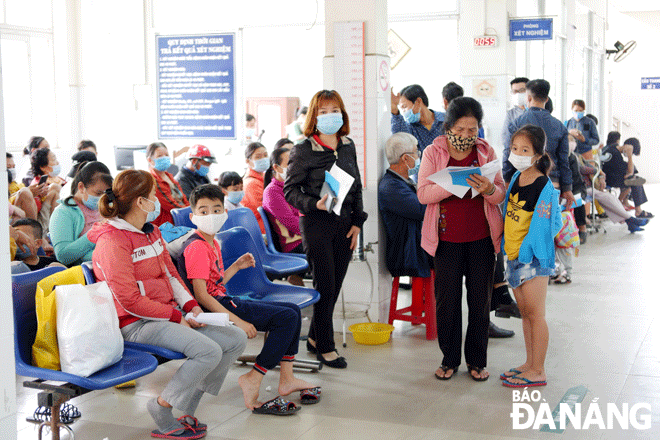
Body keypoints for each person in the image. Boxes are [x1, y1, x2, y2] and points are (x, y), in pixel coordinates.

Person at [89, 170, 247, 439]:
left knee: (235, 338)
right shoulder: (112, 241)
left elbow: (170, 274)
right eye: (152, 196)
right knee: (208, 351)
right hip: (136, 323)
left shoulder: (150, 233)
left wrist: (192, 308)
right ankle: (162, 407)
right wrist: (175, 315)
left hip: (166, 315)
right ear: (141, 203)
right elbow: (128, 301)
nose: (157, 201)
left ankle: (186, 406)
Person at [181, 184, 319, 412]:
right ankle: (254, 377)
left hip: (223, 300)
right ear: (192, 216)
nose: (211, 216)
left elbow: (214, 284)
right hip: (217, 307)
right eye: (203, 211)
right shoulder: (197, 247)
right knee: (286, 318)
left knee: (292, 311)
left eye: (216, 210)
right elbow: (201, 295)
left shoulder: (211, 242)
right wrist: (238, 321)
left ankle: (287, 378)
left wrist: (235, 266)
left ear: (224, 212)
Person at [417, 97, 505, 381]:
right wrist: (451, 185)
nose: (468, 136)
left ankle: (477, 362)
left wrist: (489, 188)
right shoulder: (433, 152)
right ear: (449, 127)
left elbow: (500, 194)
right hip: (445, 240)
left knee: (480, 302)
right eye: (462, 129)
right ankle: (449, 359)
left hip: (481, 238)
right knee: (448, 302)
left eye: (473, 129)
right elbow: (422, 194)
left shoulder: (487, 151)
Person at [284, 89, 367, 369]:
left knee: (336, 285)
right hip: (316, 224)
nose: (329, 116)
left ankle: (314, 338)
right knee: (326, 285)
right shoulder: (303, 149)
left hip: (344, 225)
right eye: (323, 111)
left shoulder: (347, 145)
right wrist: (313, 204)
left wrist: (358, 222)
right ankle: (326, 347)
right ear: (313, 116)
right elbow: (289, 191)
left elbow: (356, 186)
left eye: (334, 110)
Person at [500, 125, 562, 388]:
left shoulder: (543, 185)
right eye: (515, 149)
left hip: (534, 258)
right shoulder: (516, 177)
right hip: (514, 255)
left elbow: (547, 224)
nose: (518, 154)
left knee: (536, 314)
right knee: (524, 312)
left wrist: (527, 247)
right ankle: (529, 363)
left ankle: (539, 370)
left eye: (524, 150)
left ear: (537, 155)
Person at [504, 79, 575, 208]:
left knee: (523, 225)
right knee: (545, 225)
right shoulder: (560, 126)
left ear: (528, 98)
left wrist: (507, 179)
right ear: (547, 99)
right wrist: (567, 188)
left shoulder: (517, 123)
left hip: (523, 181)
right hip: (552, 183)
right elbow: (564, 160)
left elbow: (508, 154)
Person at [378, 132, 429, 279]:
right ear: (405, 158)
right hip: (407, 256)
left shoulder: (402, 182)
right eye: (417, 153)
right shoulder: (391, 187)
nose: (419, 158)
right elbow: (422, 210)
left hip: (416, 249)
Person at [49, 161, 113, 266]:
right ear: (81, 187)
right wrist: (95, 233)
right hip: (85, 273)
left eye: (105, 194)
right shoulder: (63, 213)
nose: (102, 198)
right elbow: (63, 256)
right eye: (98, 193)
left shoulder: (106, 208)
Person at [601, 133, 653, 219]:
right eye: (632, 152)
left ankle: (623, 203)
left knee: (632, 180)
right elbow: (629, 173)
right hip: (609, 179)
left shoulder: (612, 148)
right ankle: (638, 210)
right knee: (636, 180)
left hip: (607, 176)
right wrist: (629, 156)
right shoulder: (616, 154)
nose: (631, 154)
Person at [262, 145, 302, 254]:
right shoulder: (272, 192)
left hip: (304, 238)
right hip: (294, 245)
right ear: (276, 167)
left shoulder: (293, 186)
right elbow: (293, 224)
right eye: (290, 163)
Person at [390, 84, 445, 154]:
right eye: (402, 109)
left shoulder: (445, 119)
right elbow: (398, 137)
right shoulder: (409, 127)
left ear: (418, 101)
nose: (404, 112)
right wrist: (394, 110)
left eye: (404, 107)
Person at [146, 142, 189, 227]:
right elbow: (170, 205)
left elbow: (182, 197)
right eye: (159, 156)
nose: (164, 158)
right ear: (150, 160)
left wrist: (191, 208)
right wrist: (192, 210)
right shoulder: (152, 180)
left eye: (166, 154)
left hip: (179, 219)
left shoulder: (169, 176)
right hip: (166, 225)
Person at [30, 148, 65, 236]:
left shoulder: (60, 180)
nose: (57, 162)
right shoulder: (37, 186)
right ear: (43, 167)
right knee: (54, 188)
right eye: (53, 159)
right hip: (45, 222)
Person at [242, 142, 269, 233]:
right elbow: (267, 210)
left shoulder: (264, 177)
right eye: (258, 157)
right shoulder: (251, 183)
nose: (264, 159)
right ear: (247, 161)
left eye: (265, 155)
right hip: (262, 230)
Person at [7, 152, 39, 221]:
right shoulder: (6, 185)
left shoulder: (19, 185)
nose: (12, 170)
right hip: (12, 216)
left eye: (14, 167)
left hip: (22, 214)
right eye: (8, 167)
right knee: (25, 192)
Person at [501, 77, 529, 148]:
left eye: (522, 90)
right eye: (515, 91)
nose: (518, 94)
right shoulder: (511, 114)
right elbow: (505, 137)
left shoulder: (535, 111)